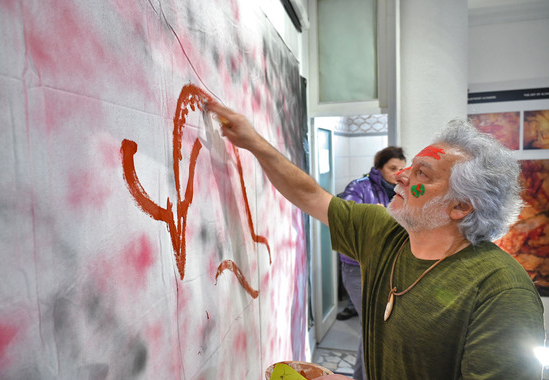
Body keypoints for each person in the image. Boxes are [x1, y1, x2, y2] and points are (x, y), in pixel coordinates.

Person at [206, 101, 545, 379]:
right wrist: (253, 141)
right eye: (409, 166)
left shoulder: (501, 293)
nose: (401, 175)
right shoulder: (385, 232)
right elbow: (310, 196)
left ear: (459, 207)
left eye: (421, 173)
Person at [335, 146, 406, 380]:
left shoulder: (404, 191)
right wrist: (372, 213)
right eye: (392, 168)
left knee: (370, 329)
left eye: (402, 168)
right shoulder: (360, 186)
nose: (398, 173)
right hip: (358, 268)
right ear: (379, 168)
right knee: (376, 330)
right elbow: (346, 215)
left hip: (386, 266)